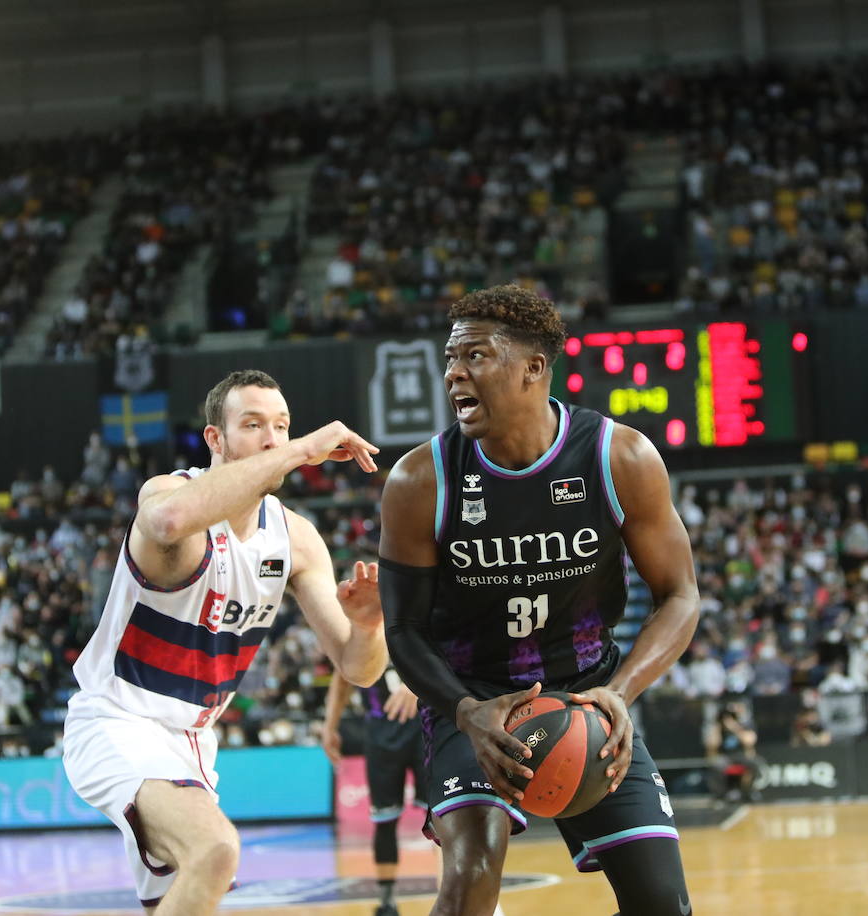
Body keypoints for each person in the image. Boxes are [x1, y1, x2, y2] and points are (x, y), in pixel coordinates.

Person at [378, 285, 700, 916]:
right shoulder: (421, 480)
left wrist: (620, 694)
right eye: (450, 358)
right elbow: (405, 630)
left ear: (534, 368)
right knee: (471, 875)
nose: (454, 372)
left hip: (588, 697)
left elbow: (680, 596)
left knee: (663, 903)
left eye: (475, 355)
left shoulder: (619, 457)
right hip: (472, 699)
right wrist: (468, 712)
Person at [63, 369, 389, 916]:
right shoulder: (168, 494)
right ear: (215, 439)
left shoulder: (295, 538)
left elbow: (361, 670)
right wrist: (303, 450)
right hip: (116, 723)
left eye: (283, 427)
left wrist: (368, 625)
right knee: (215, 851)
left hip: (192, 745)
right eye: (254, 425)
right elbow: (167, 522)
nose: (273, 440)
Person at [322, 666, 426, 916]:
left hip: (424, 724)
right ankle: (387, 901)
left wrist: (417, 683)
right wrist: (330, 726)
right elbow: (341, 677)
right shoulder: (357, 632)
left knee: (444, 814)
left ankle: (453, 891)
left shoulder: (413, 626)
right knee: (384, 819)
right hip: (379, 731)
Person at [704, 700, 761, 802]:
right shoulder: (719, 727)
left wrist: (734, 727)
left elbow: (749, 741)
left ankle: (748, 791)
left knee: (754, 763)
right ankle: (722, 794)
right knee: (717, 765)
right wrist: (718, 727)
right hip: (726, 756)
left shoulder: (744, 725)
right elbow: (712, 744)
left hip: (741, 755)